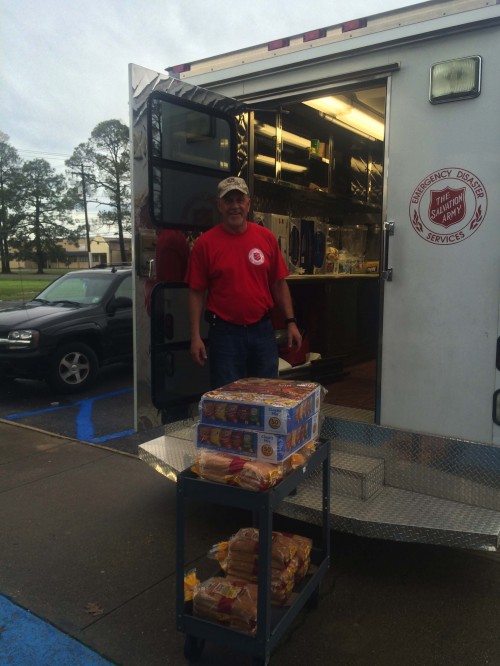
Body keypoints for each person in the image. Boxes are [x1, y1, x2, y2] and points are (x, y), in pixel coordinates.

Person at [185, 176, 302, 389]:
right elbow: (195, 292)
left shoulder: (266, 238)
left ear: (248, 204)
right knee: (228, 400)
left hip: (262, 332)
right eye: (228, 201)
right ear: (219, 206)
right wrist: (195, 336)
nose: (235, 206)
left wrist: (291, 322)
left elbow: (279, 283)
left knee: (267, 393)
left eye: (240, 200)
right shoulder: (205, 244)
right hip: (225, 335)